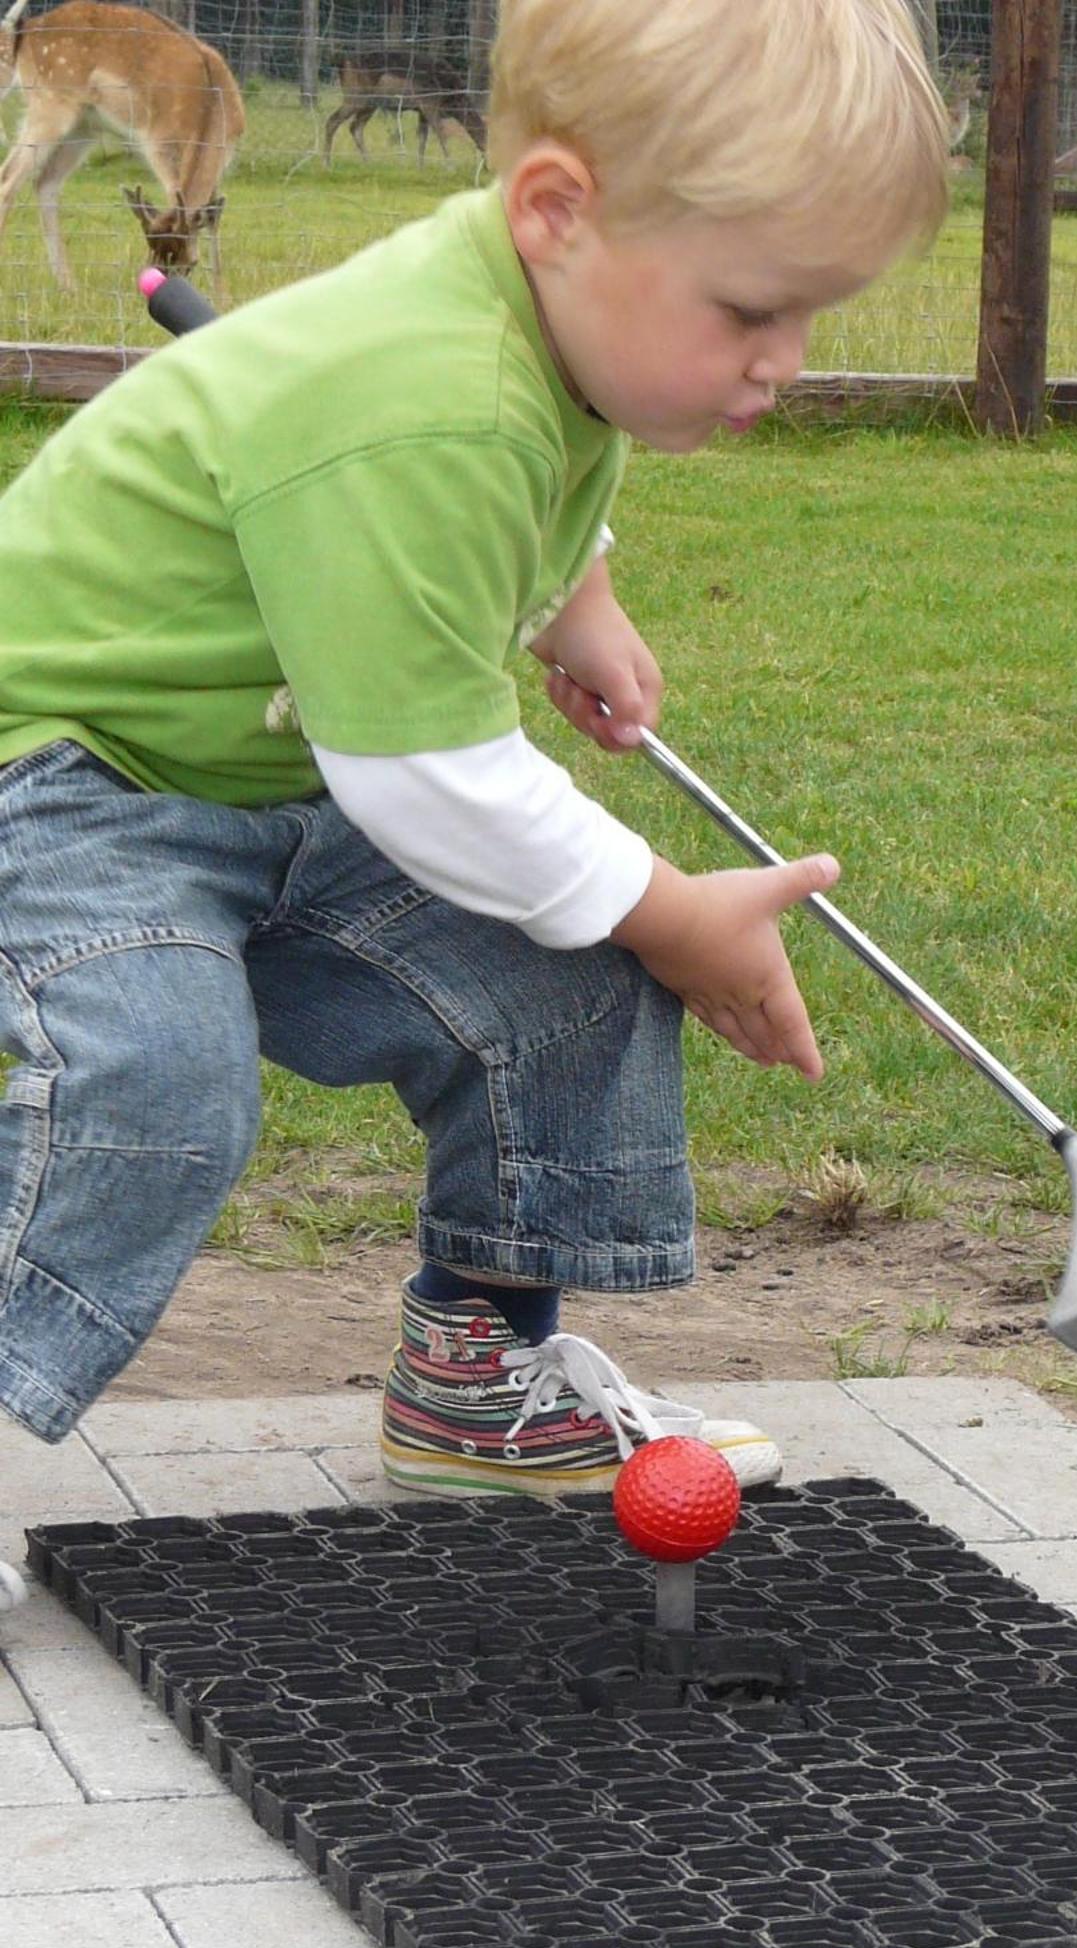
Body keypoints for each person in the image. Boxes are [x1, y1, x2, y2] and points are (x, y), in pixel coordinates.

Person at [0, 0, 951, 1507]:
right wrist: (677, 908)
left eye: (809, 312)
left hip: (272, 771)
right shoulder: (432, 392)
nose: (786, 360)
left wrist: (580, 596)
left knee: (563, 970)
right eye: (752, 309)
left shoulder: (537, 304)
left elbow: (537, 459)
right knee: (165, 1086)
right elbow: (433, 778)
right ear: (559, 211)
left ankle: (478, 1379)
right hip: (73, 770)